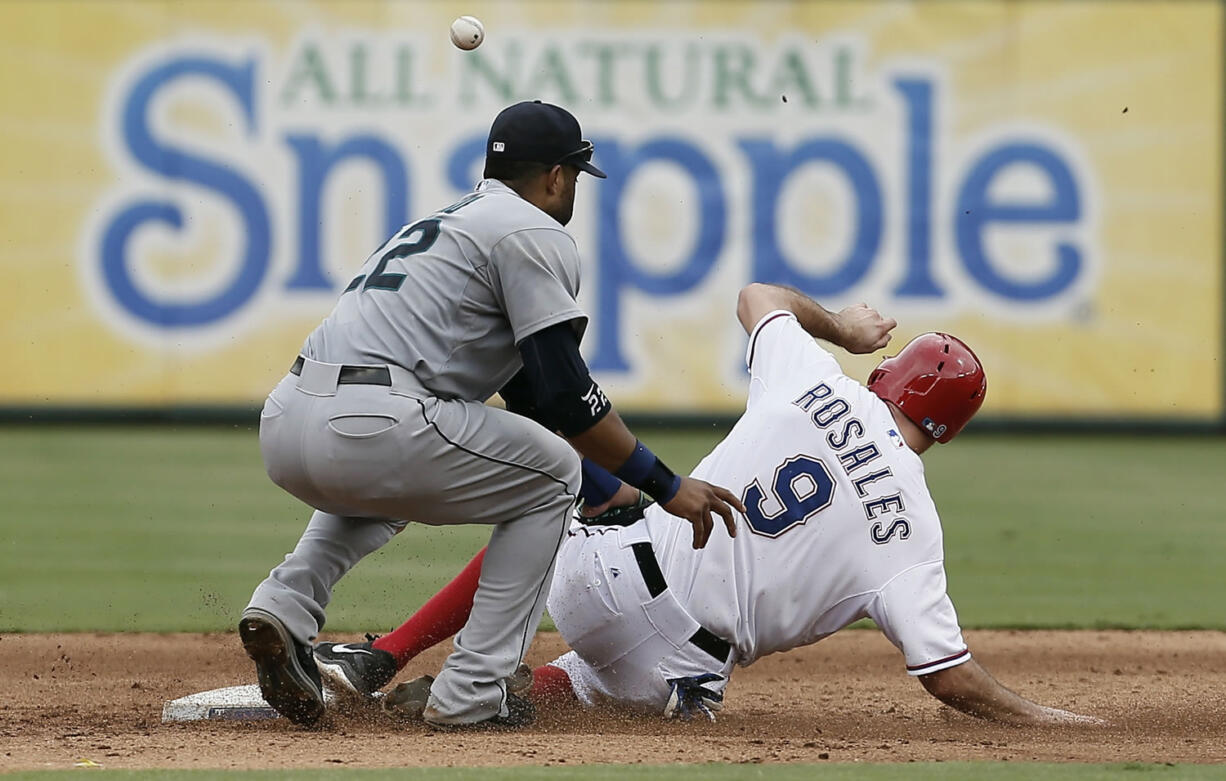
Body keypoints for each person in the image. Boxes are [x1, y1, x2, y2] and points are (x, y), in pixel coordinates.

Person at [316, 283, 1103, 727]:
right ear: (949, 430)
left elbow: (758, 296)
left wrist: (842, 328)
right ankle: (518, 691)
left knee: (551, 495)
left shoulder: (816, 381)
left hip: (606, 581)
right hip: (674, 674)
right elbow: (950, 677)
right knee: (607, 686)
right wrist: (1052, 721)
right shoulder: (915, 532)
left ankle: (388, 652)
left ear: (886, 377)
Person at [238, 100, 744, 730]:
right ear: (558, 176)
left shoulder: (448, 223)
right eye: (577, 177)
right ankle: (475, 688)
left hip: (290, 421)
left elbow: (529, 400)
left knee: (412, 472)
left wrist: (609, 484)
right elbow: (564, 396)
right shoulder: (533, 232)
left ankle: (282, 607)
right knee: (556, 474)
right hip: (378, 421)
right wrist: (664, 485)